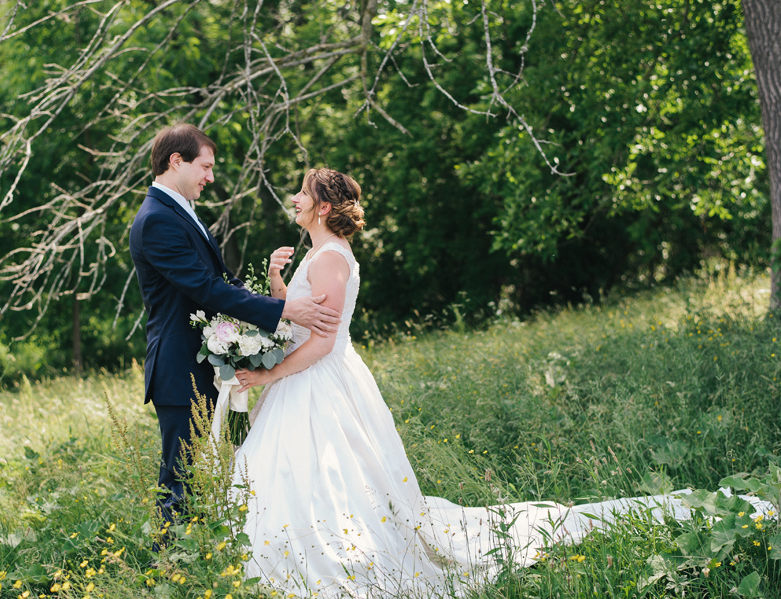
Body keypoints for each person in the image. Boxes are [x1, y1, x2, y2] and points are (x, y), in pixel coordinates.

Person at [228, 168, 775, 598]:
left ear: (323, 207)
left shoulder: (330, 259)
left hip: (318, 383)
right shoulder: (317, 255)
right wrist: (277, 279)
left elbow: (320, 343)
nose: (294, 200)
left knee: (324, 476)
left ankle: (330, 552)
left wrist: (268, 374)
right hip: (308, 380)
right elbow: (300, 318)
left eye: (301, 194)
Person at [128, 124, 341, 527]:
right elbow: (205, 289)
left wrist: (267, 301)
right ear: (177, 161)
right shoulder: (157, 219)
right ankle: (169, 566)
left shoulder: (178, 211)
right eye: (205, 167)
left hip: (201, 362)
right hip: (179, 367)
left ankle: (191, 553)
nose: (210, 177)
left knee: (196, 470)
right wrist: (283, 312)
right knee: (179, 475)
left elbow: (222, 280)